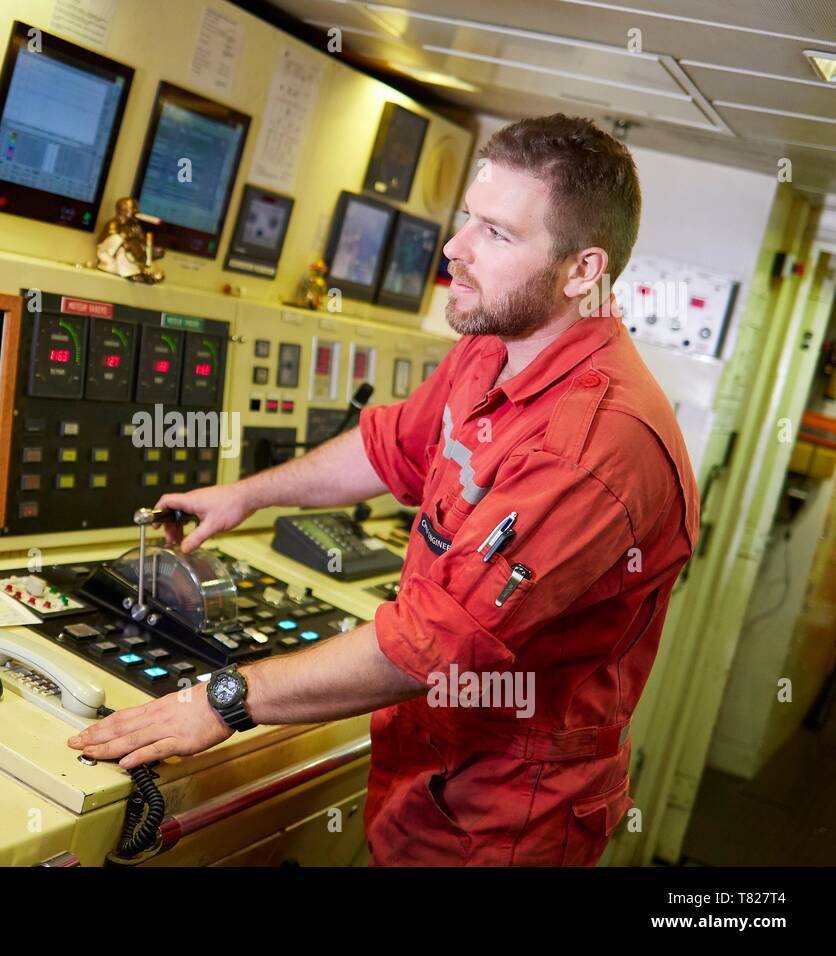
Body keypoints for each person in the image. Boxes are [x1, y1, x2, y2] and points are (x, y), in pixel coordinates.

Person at [68, 114, 700, 866]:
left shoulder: (598, 444)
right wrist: (249, 494)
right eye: (468, 218)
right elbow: (390, 443)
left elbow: (429, 646)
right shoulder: (494, 346)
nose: (456, 250)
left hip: (507, 815)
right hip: (424, 766)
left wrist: (221, 699)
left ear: (583, 270)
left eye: (496, 234)